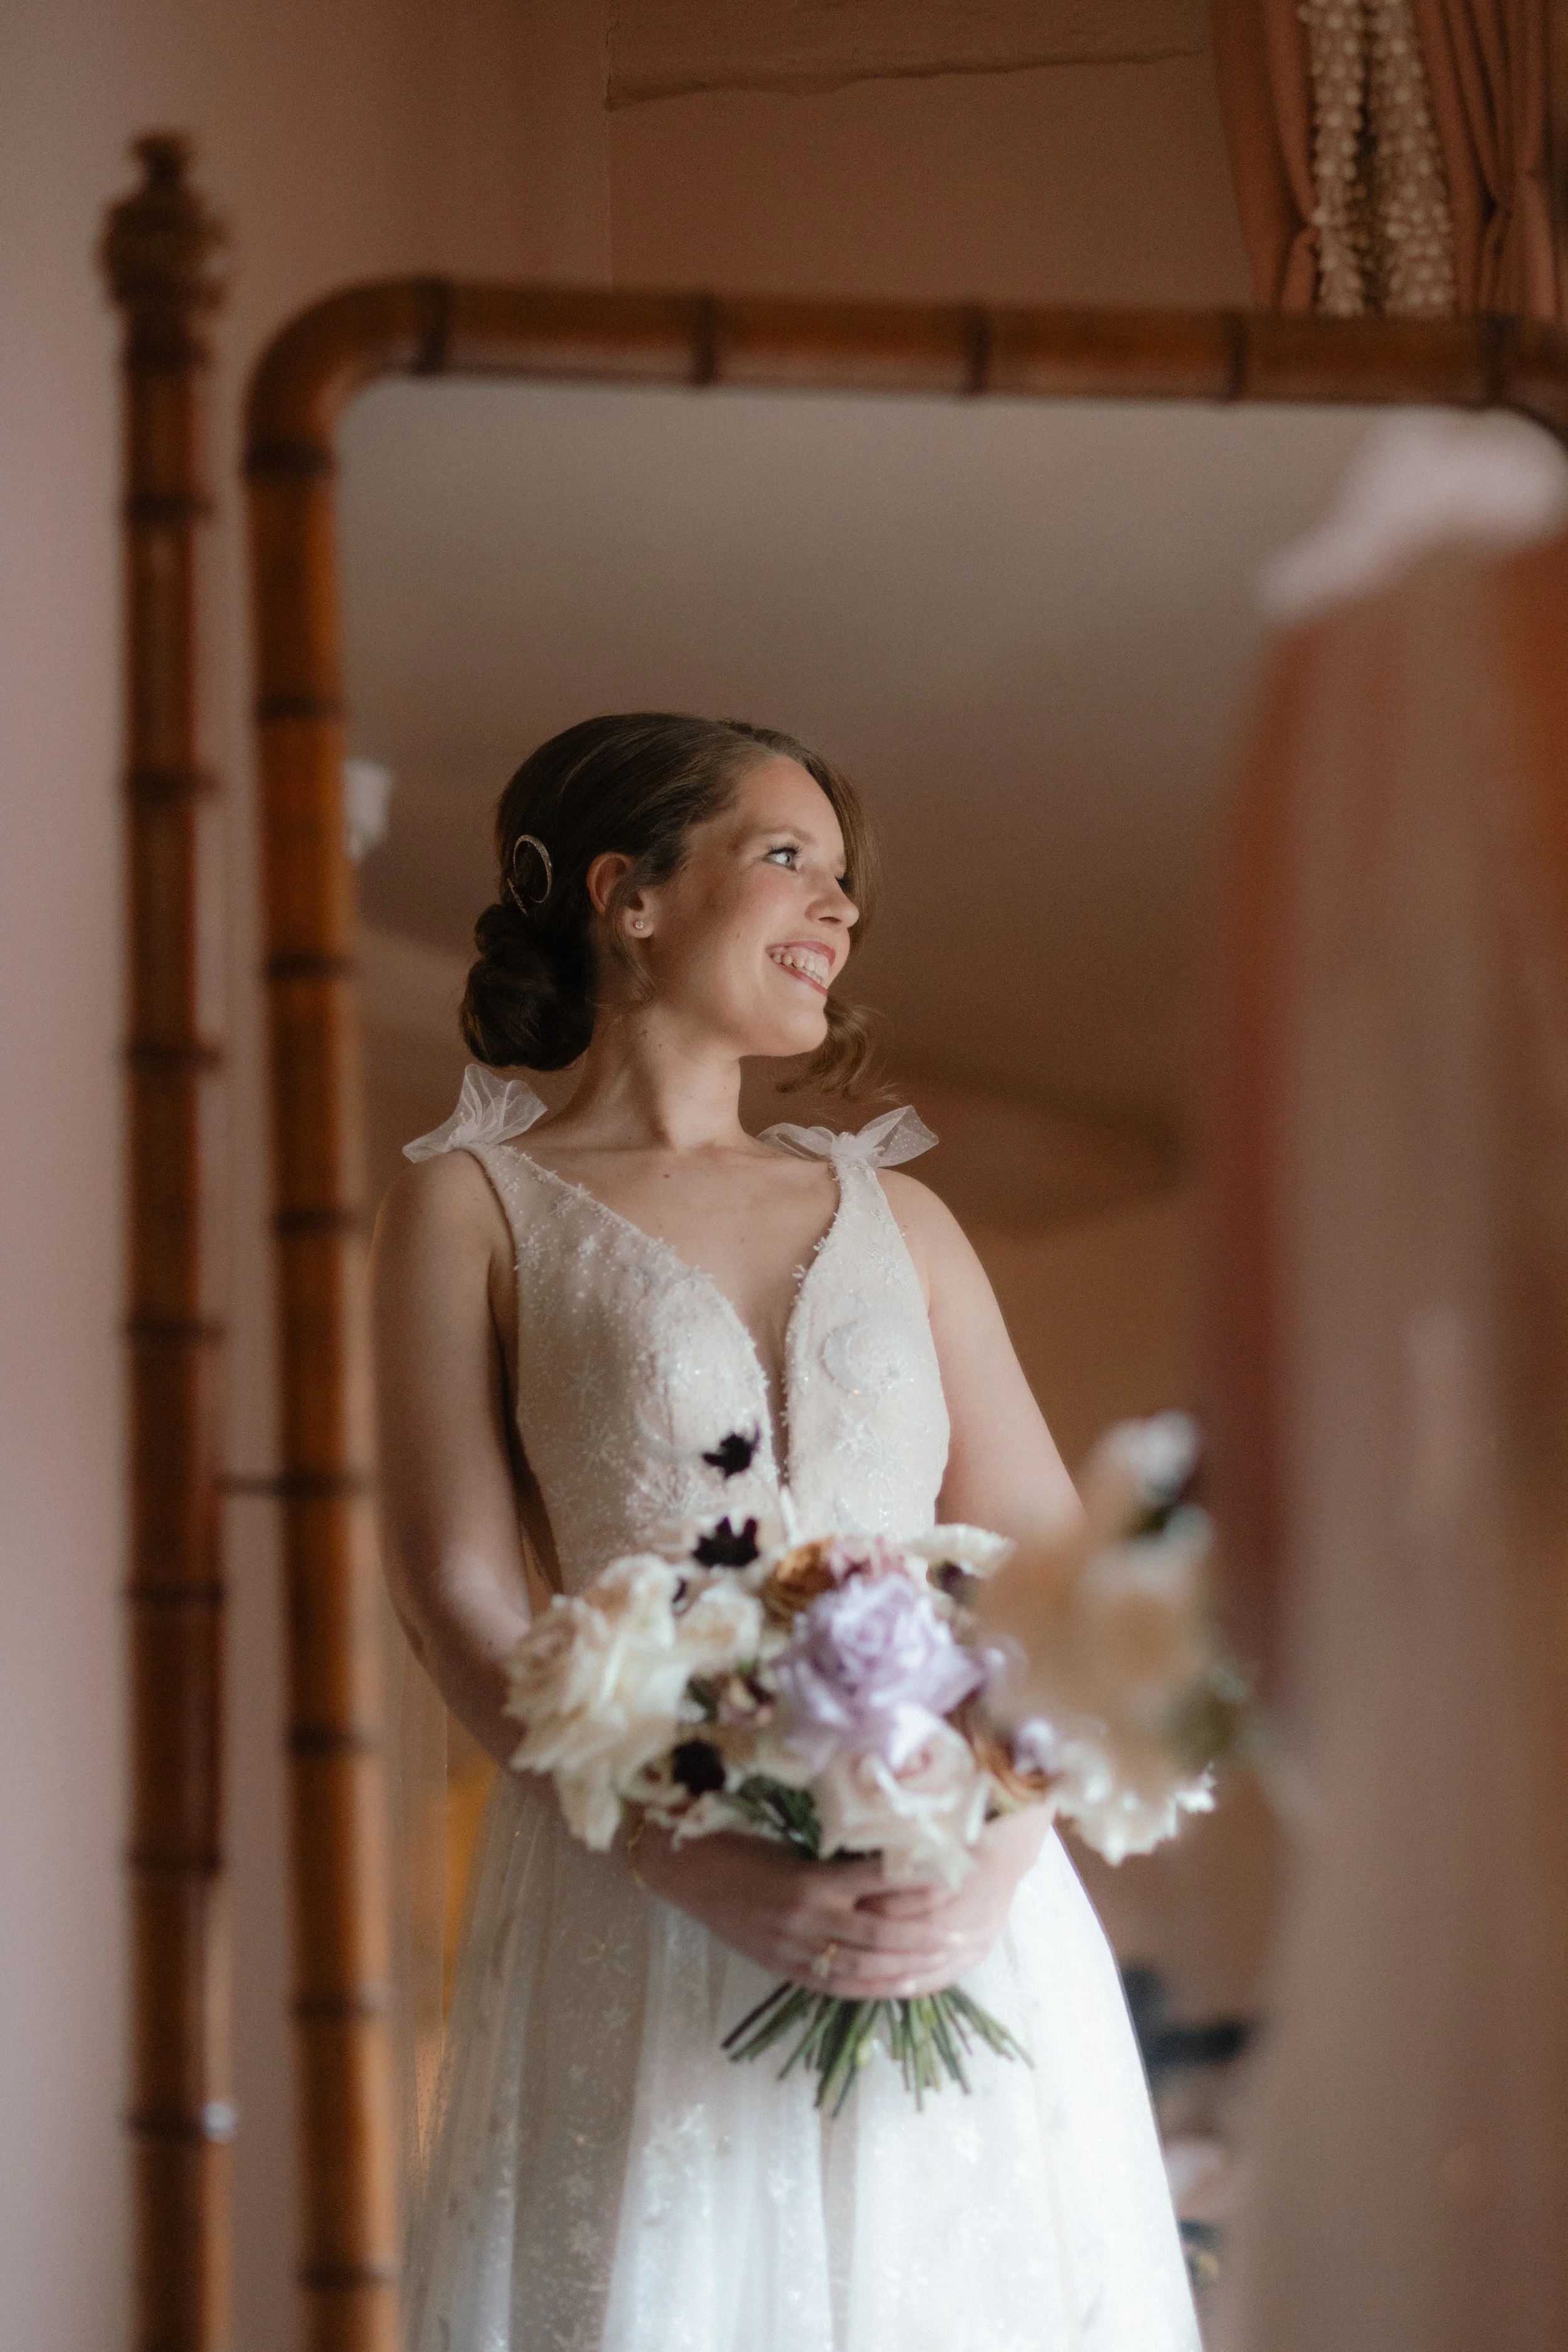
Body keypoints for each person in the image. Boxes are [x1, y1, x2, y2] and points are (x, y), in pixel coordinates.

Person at [371, 713, 1199, 2352]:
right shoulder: (471, 1206)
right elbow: (456, 1594)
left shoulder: (908, 1216)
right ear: (628, 894)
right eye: (785, 857)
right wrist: (713, 1874)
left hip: (958, 1890)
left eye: (842, 878)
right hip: (648, 1884)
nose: (838, 910)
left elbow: (1055, 1578)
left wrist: (986, 1871)